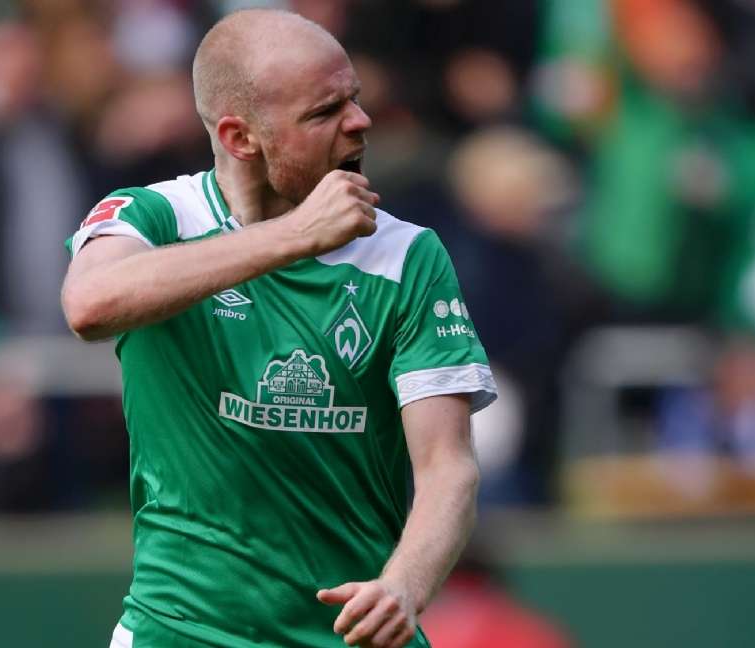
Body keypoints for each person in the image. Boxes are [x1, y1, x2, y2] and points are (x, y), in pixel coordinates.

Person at [61, 9, 496, 648]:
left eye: (354, 98)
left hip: (349, 632)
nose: (360, 121)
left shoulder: (406, 256)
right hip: (178, 632)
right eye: (324, 112)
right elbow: (89, 304)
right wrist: (294, 236)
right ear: (240, 137)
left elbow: (448, 468)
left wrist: (404, 585)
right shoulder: (154, 216)